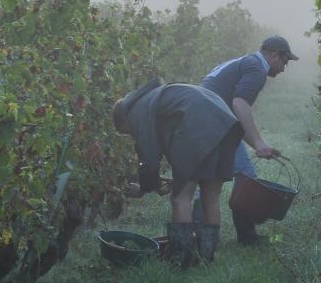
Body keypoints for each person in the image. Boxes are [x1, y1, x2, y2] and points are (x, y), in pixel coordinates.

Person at [112, 78, 273, 266]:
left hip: (199, 126)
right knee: (210, 197)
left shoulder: (137, 111)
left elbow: (149, 157)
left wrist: (144, 188)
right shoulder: (153, 97)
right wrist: (157, 182)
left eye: (127, 132)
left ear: (123, 119)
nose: (132, 135)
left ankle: (181, 261)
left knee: (180, 198)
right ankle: (207, 258)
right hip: (225, 124)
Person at [196, 35, 295, 245]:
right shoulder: (257, 69)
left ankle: (198, 237)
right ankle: (246, 238)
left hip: (203, 118)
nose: (284, 68)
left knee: (205, 181)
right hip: (214, 120)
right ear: (275, 55)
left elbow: (234, 117)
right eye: (285, 61)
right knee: (246, 178)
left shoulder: (244, 62)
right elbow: (239, 104)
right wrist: (259, 143)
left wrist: (259, 145)